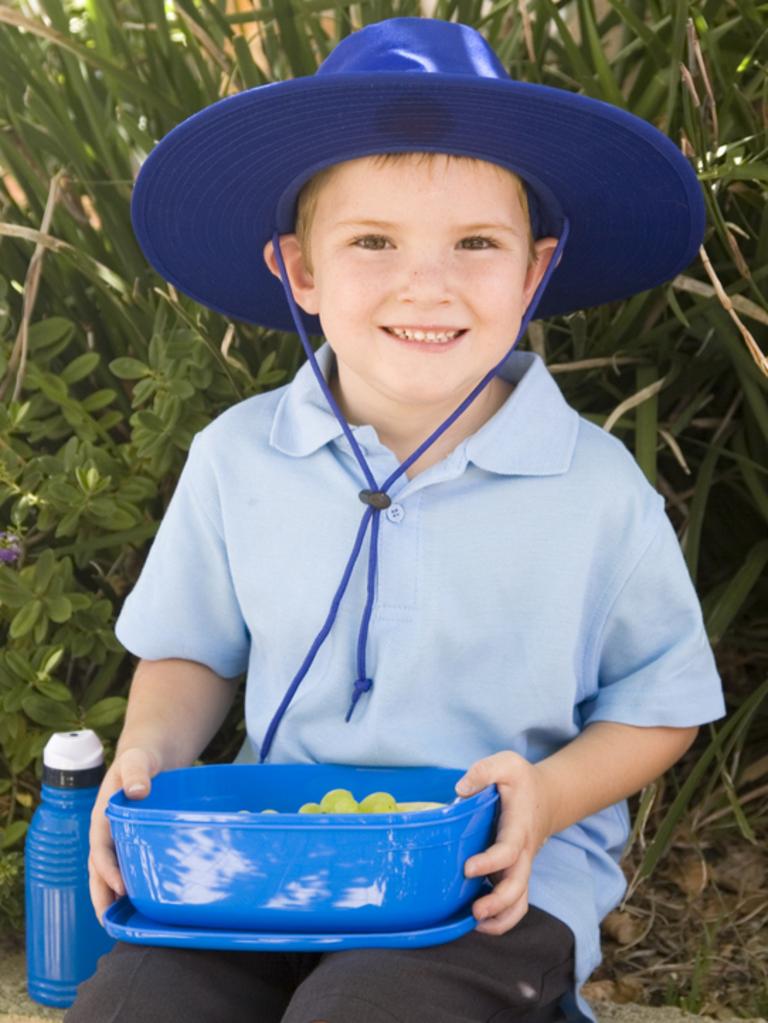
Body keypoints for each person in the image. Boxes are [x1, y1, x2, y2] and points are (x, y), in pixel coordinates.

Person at [64, 17, 726, 1023]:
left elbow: (661, 703)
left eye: (476, 244)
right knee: (137, 1005)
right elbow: (190, 651)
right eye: (373, 242)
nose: (429, 282)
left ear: (533, 271)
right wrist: (148, 754)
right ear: (302, 271)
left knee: (369, 1010)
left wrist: (543, 801)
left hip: (489, 884)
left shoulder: (595, 489)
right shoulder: (240, 457)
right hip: (266, 865)